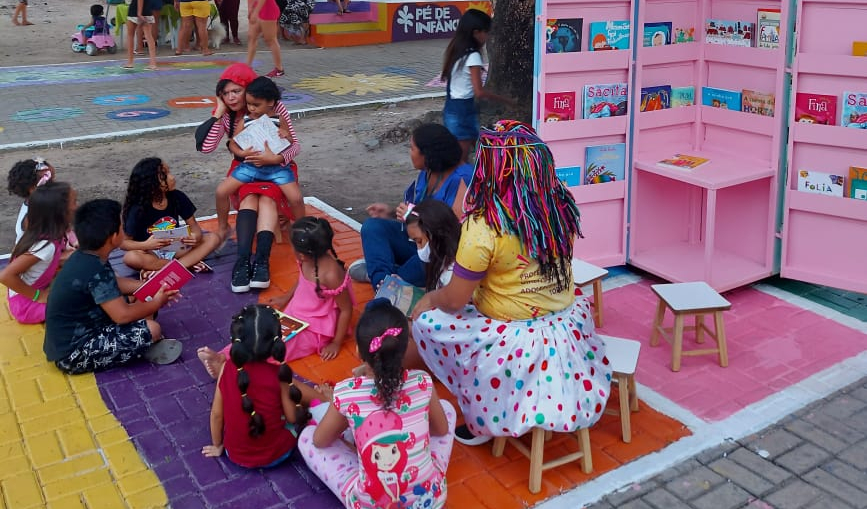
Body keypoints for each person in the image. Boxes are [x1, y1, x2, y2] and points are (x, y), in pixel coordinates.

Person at [410, 121, 612, 446]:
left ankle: (484, 413)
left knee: (428, 323)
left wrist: (431, 298)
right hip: (566, 321)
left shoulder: (483, 225)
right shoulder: (559, 205)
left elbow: (455, 301)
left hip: (513, 337)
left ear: (489, 167)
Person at [298, 299, 456, 509]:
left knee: (307, 438)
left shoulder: (347, 391)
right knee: (446, 409)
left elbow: (320, 441)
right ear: (405, 348)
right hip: (428, 500)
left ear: (357, 351)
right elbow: (441, 429)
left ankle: (362, 453)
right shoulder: (422, 381)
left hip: (370, 504)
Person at [198, 216, 354, 377]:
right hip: (295, 314)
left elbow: (346, 310)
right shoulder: (308, 258)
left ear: (302, 255)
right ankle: (223, 355)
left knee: (275, 348)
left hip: (315, 328)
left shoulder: (332, 274)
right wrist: (285, 298)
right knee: (257, 331)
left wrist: (336, 343)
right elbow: (303, 281)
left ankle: (227, 366)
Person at [43, 199, 181, 375]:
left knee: (141, 297)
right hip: (73, 355)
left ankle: (141, 340)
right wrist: (157, 302)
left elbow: (112, 284)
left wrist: (150, 287)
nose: (124, 230)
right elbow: (122, 316)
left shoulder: (88, 256)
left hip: (83, 330)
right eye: (122, 227)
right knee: (153, 328)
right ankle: (142, 348)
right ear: (113, 236)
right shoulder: (95, 267)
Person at [349, 123, 472, 289]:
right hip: (416, 242)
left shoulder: (463, 179)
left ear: (427, 155)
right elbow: (414, 213)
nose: (410, 153)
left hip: (439, 252)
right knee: (373, 227)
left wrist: (412, 217)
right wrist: (392, 213)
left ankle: (386, 278)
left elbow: (453, 233)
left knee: (424, 257)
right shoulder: (427, 172)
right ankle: (383, 280)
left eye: (412, 148)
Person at [195, 63, 300, 244]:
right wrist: (219, 112)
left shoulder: (274, 108)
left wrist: (276, 158)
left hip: (277, 164)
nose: (231, 98)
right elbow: (206, 148)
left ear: (249, 88)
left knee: (282, 198)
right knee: (240, 196)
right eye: (225, 93)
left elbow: (295, 145)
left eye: (236, 91)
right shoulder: (228, 114)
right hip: (245, 164)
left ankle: (296, 226)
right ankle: (224, 229)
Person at [201, 304, 307, 468]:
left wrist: (217, 445)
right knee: (302, 420)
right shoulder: (278, 373)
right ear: (276, 340)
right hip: (276, 455)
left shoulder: (226, 368)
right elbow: (292, 417)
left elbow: (216, 414)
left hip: (234, 454)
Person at [215, 76, 305, 226]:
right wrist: (241, 153)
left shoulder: (279, 119)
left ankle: (303, 227)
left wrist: (286, 136)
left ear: (270, 103)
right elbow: (232, 143)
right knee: (221, 191)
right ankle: (223, 226)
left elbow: (291, 144)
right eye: (249, 104)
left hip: (277, 169)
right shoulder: (246, 120)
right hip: (250, 167)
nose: (251, 109)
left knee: (296, 198)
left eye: (256, 105)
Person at [120, 157, 220, 276]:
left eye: (169, 172)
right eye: (165, 175)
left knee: (213, 238)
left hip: (176, 248)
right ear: (150, 183)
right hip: (149, 252)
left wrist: (193, 237)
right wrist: (146, 245)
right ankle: (187, 264)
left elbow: (195, 229)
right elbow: (124, 243)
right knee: (130, 258)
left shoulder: (177, 197)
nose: (172, 177)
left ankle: (159, 268)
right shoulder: (137, 208)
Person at [441, 9, 514, 163]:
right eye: (486, 32)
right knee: (462, 159)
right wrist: (505, 100)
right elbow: (479, 92)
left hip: (451, 107)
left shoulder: (457, 50)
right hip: (463, 110)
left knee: (462, 154)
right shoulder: (473, 56)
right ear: (476, 33)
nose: (487, 36)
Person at [0, 182, 76, 324]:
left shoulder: (49, 233)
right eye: (74, 202)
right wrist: (38, 296)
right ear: (59, 212)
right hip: (26, 306)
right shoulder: (46, 246)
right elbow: (5, 276)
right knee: (81, 303)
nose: (76, 207)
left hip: (31, 293)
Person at [404, 199, 460, 292]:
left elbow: (451, 300)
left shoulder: (457, 269)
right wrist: (406, 289)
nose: (419, 248)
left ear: (437, 233)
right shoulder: (440, 261)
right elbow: (437, 292)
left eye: (419, 241)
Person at [7, 157, 55, 244]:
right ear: (33, 188)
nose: (56, 186)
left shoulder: (45, 205)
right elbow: (44, 253)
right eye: (49, 181)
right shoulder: (33, 218)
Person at [247, 0, 284, 77]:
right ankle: (248, 67)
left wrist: (255, 12)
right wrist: (250, 9)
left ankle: (279, 69)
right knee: (251, 37)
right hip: (256, 8)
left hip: (268, 10)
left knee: (270, 40)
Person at [124, 0, 159, 70]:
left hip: (135, 10)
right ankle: (153, 62)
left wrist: (139, 13)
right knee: (149, 36)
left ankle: (130, 62)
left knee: (130, 35)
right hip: (147, 9)